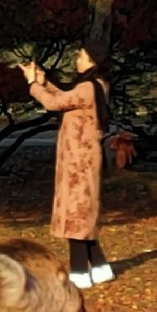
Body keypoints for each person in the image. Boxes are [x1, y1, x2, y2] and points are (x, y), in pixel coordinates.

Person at [18, 48, 115, 288]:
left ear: (92, 60)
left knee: (76, 215)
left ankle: (80, 271)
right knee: (81, 214)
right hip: (81, 159)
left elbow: (54, 103)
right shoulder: (96, 86)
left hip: (79, 162)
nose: (77, 61)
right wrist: (45, 82)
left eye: (81, 57)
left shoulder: (87, 88)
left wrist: (33, 84)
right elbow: (64, 99)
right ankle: (101, 268)